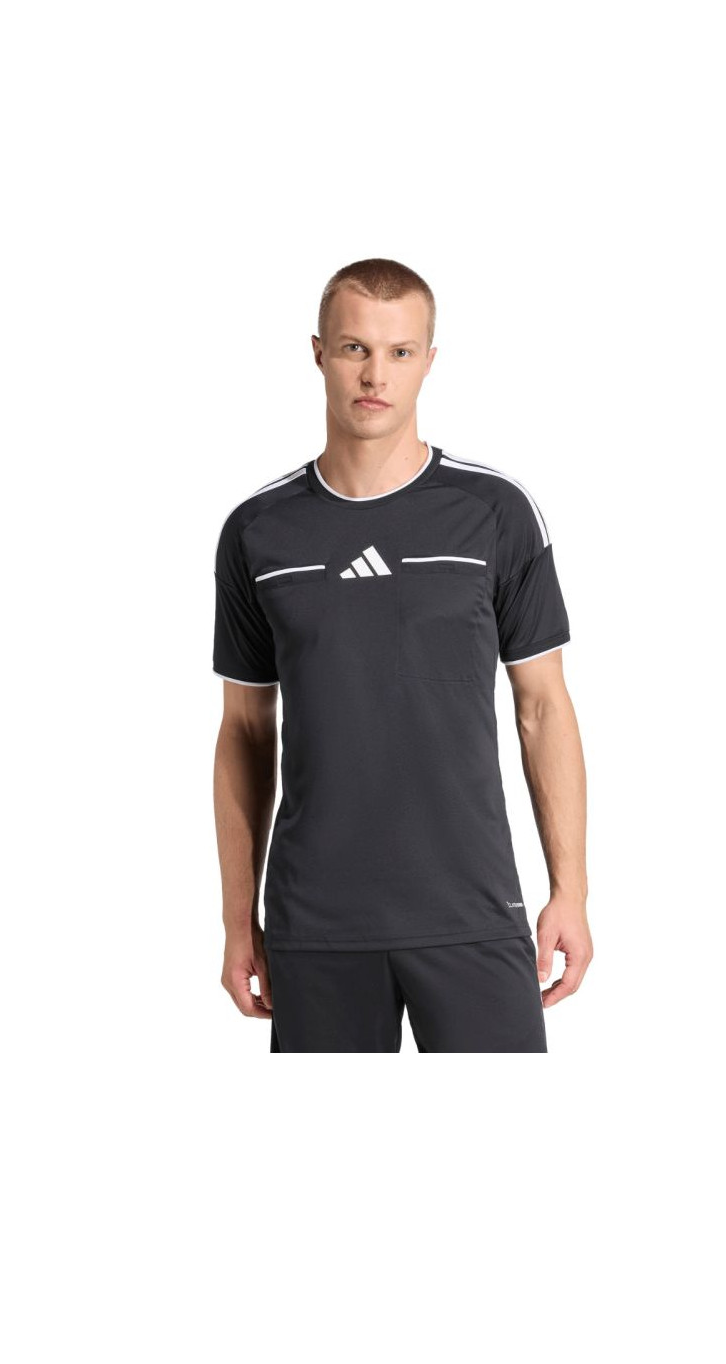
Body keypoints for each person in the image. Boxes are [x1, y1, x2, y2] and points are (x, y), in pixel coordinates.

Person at [212, 258, 592, 1052]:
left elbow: (542, 707)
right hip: (316, 924)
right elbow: (245, 730)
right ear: (319, 353)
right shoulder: (258, 530)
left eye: (400, 352)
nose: (375, 375)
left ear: (429, 360)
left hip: (473, 913)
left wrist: (572, 891)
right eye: (355, 348)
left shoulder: (495, 512)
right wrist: (237, 919)